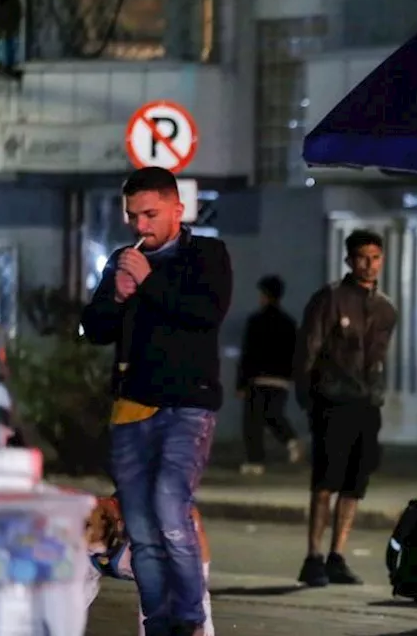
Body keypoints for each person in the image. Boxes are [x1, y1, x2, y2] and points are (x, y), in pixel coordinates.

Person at [81, 166, 233, 636]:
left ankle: (189, 618)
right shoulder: (123, 259)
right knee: (142, 528)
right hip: (132, 405)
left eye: (150, 214)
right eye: (133, 215)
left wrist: (149, 283)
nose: (140, 225)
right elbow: (94, 328)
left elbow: (206, 313)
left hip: (186, 403)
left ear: (176, 209)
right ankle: (160, 620)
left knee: (170, 505)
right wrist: (118, 298)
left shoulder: (206, 254)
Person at [293, 229, 398, 587]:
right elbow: (308, 350)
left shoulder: (385, 308)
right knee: (325, 483)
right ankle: (313, 556)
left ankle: (337, 555)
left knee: (355, 485)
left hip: (367, 404)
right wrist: (308, 398)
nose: (369, 265)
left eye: (375, 257)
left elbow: (379, 359)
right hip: (332, 402)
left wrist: (377, 395)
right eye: (363, 257)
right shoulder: (331, 299)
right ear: (349, 260)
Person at [236, 274, 302, 475]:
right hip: (280, 379)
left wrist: (241, 383)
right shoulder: (289, 323)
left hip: (258, 378)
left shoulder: (256, 321)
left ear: (265, 295)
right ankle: (290, 440)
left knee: (252, 421)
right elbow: (295, 352)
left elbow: (248, 354)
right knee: (274, 415)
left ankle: (255, 461)